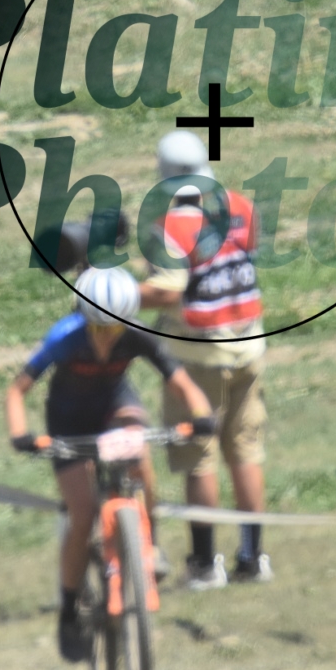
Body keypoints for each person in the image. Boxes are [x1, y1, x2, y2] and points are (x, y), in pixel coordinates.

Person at [4, 266, 218, 663]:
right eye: (97, 328)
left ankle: (149, 546)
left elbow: (182, 383)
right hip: (68, 420)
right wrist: (21, 434)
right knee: (82, 514)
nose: (105, 336)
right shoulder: (64, 337)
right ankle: (69, 610)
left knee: (139, 451)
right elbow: (17, 391)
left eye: (114, 328)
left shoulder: (137, 334)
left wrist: (201, 415)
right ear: (82, 317)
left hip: (116, 406)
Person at [139, 130, 271, 590]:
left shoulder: (169, 226)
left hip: (197, 355)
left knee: (199, 457)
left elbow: (168, 291)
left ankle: (204, 564)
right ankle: (252, 558)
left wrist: (119, 296)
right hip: (249, 343)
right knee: (245, 450)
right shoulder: (240, 205)